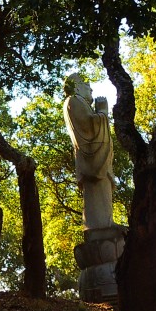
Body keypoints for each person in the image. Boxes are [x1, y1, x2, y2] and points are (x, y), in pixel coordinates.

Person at [62, 73, 115, 230]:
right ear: (76, 86)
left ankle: (107, 223)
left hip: (98, 160)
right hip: (92, 159)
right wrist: (103, 112)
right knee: (96, 192)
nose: (91, 89)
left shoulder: (80, 102)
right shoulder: (73, 101)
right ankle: (100, 227)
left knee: (104, 193)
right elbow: (89, 127)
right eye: (86, 85)